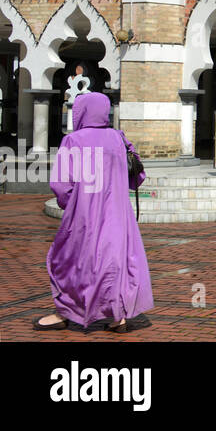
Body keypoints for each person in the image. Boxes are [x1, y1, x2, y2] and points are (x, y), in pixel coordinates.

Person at [35, 91, 153, 332]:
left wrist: (71, 204)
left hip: (85, 214)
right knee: (116, 261)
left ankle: (65, 311)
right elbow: (137, 174)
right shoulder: (118, 137)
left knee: (70, 260)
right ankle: (118, 315)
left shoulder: (74, 140)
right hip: (118, 215)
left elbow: (61, 184)